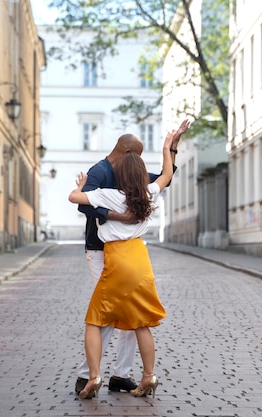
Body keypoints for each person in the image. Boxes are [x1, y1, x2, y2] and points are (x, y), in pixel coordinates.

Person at [74, 120, 190, 395]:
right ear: (127, 154)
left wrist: (172, 148)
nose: (139, 162)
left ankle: (119, 375)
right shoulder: (99, 172)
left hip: (122, 250)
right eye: (137, 156)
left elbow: (164, 177)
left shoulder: (129, 175)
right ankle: (85, 375)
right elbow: (83, 204)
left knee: (127, 315)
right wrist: (120, 216)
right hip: (100, 250)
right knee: (108, 313)